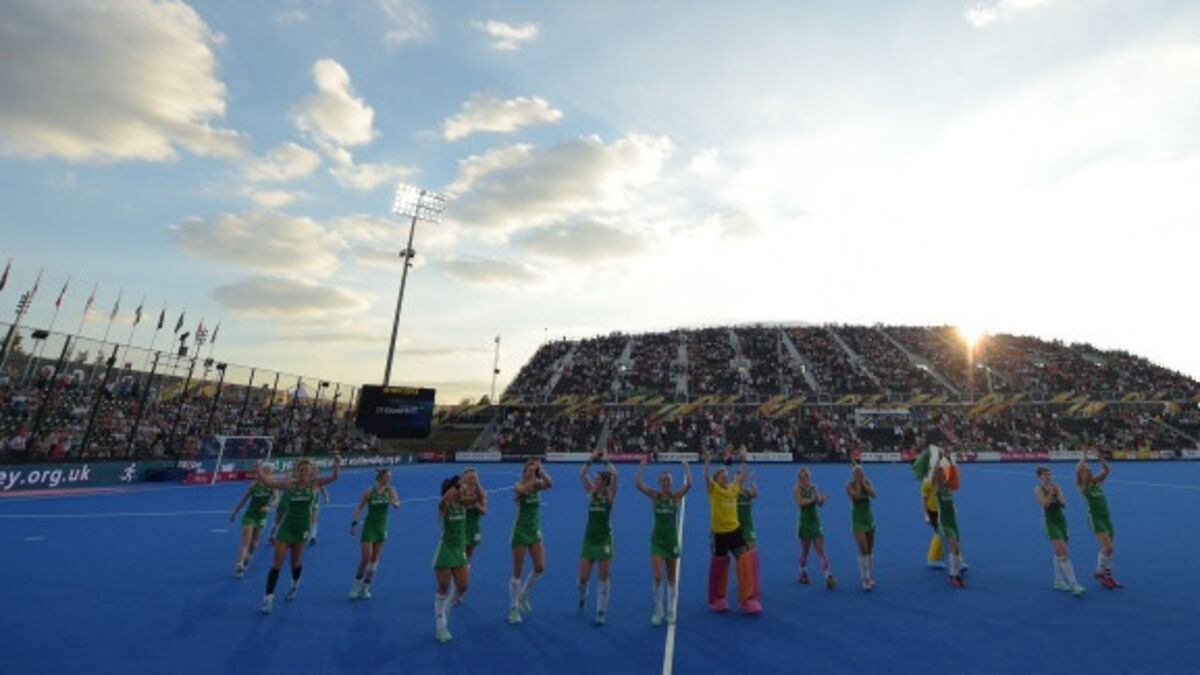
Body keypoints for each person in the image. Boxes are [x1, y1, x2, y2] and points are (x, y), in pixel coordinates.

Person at [256, 456, 341, 614]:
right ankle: (268, 598)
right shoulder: (290, 484)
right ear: (297, 471)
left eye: (306, 470)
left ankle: (295, 584)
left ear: (310, 472)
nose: (304, 472)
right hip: (286, 528)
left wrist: (337, 464)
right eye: (301, 470)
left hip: (302, 529)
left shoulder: (314, 484)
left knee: (294, 563)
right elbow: (270, 483)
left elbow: (334, 477)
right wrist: (259, 470)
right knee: (277, 564)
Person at [635, 455, 692, 626]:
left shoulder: (676, 497)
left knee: (672, 578)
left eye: (668, 480)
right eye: (663, 480)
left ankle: (671, 610)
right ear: (660, 482)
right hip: (657, 542)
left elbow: (689, 484)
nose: (666, 483)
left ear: (671, 482)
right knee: (658, 576)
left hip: (671, 542)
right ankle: (658, 610)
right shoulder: (655, 496)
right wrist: (641, 467)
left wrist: (686, 467)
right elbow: (639, 484)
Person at [704, 445, 761, 614]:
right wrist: (707, 462)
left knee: (744, 559)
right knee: (720, 565)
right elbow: (706, 477)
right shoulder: (714, 490)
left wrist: (743, 458)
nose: (725, 477)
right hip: (720, 534)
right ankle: (717, 598)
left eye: (726, 476)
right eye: (721, 476)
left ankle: (747, 599)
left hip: (735, 531)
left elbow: (742, 476)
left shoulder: (733, 488)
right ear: (716, 479)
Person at [509, 459, 553, 624]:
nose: (532, 473)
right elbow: (522, 490)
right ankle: (513, 609)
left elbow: (550, 483)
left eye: (534, 470)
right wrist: (533, 479)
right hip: (520, 531)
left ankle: (523, 595)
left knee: (540, 567)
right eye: (529, 470)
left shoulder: (537, 485)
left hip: (534, 531)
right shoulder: (518, 486)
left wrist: (542, 471)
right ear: (524, 472)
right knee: (518, 570)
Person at [577, 449, 618, 625]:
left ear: (604, 482)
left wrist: (606, 460)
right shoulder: (592, 492)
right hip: (589, 538)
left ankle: (601, 611)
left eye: (598, 479)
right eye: (594, 479)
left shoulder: (609, 496)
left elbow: (615, 475)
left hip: (604, 539)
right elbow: (582, 474)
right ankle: (582, 596)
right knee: (583, 578)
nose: (594, 481)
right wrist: (591, 459)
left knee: (603, 578)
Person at [349, 468, 400, 599]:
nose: (389, 479)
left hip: (381, 527)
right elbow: (360, 507)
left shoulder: (391, 490)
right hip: (369, 526)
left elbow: (397, 503)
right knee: (366, 557)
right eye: (387, 476)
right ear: (381, 477)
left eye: (390, 477)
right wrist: (354, 522)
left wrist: (395, 504)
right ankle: (356, 584)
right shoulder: (369, 491)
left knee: (374, 558)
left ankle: (366, 586)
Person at [1035, 466, 1085, 596]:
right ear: (1040, 477)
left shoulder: (1056, 487)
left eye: (1049, 474)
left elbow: (1064, 504)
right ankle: (1074, 585)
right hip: (1050, 523)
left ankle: (1058, 581)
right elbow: (1045, 504)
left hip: (1061, 521)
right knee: (1064, 554)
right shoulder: (1038, 489)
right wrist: (1052, 494)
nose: (1048, 476)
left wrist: (1057, 495)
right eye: (1045, 475)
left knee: (1059, 554)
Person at [433, 475, 470, 643]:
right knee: (443, 585)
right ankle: (440, 625)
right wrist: (454, 488)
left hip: (459, 550)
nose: (462, 489)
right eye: (459, 487)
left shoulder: (463, 504)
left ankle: (444, 611)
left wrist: (472, 482)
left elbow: (479, 498)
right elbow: (441, 501)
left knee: (463, 586)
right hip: (446, 549)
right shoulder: (445, 506)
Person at [1076, 451, 1121, 589]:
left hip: (1106, 517)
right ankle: (1099, 573)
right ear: (1082, 474)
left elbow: (1107, 470)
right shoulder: (1083, 486)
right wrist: (1084, 457)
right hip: (1096, 519)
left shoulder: (1096, 482)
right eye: (1087, 470)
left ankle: (1108, 576)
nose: (1090, 471)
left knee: (1109, 550)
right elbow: (1077, 469)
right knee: (1108, 548)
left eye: (1091, 470)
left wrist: (1100, 457)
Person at [229, 465, 277, 578]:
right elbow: (244, 499)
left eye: (268, 471)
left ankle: (248, 557)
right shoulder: (254, 484)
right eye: (264, 470)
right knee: (246, 539)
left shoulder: (272, 485)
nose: (266, 473)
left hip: (261, 517)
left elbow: (276, 499)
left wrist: (269, 506)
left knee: (254, 543)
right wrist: (235, 512)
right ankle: (239, 566)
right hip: (250, 515)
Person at [794, 467, 836, 588]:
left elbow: (819, 503)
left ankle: (828, 575)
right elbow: (800, 503)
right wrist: (813, 499)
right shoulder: (797, 489)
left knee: (820, 550)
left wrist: (823, 499)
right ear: (800, 478)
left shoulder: (814, 487)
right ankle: (802, 572)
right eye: (805, 476)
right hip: (804, 523)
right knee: (805, 550)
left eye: (808, 476)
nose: (807, 478)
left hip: (815, 522)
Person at [932, 458, 966, 588]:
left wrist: (951, 463)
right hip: (945, 522)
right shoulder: (936, 489)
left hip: (953, 522)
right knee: (955, 548)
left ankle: (955, 574)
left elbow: (953, 477)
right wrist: (937, 462)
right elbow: (934, 477)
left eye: (942, 473)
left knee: (956, 550)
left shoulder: (948, 487)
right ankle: (953, 576)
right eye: (940, 474)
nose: (942, 475)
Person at [846, 462, 877, 590]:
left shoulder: (867, 482)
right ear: (853, 475)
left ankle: (869, 574)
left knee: (869, 548)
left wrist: (863, 482)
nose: (860, 475)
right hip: (857, 519)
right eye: (857, 473)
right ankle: (865, 578)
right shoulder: (849, 485)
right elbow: (857, 496)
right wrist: (858, 482)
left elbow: (873, 494)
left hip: (868, 517)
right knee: (863, 548)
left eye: (862, 473)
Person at [736, 466, 762, 602]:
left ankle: (752, 583)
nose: (740, 479)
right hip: (735, 528)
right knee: (740, 556)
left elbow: (755, 494)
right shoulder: (732, 493)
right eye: (737, 477)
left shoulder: (747, 492)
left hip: (748, 527)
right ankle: (742, 580)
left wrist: (752, 482)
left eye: (741, 477)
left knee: (751, 552)